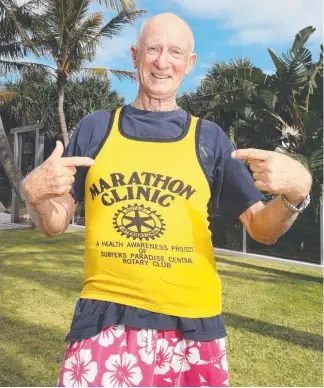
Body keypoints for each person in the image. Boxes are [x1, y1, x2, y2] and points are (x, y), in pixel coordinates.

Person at [21, 13, 312, 387]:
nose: (162, 61)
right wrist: (35, 194)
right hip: (105, 318)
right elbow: (55, 221)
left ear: (189, 64)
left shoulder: (209, 140)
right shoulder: (96, 129)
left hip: (192, 324)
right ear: (134, 55)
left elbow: (261, 228)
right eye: (153, 49)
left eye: (175, 51)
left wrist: (297, 192)